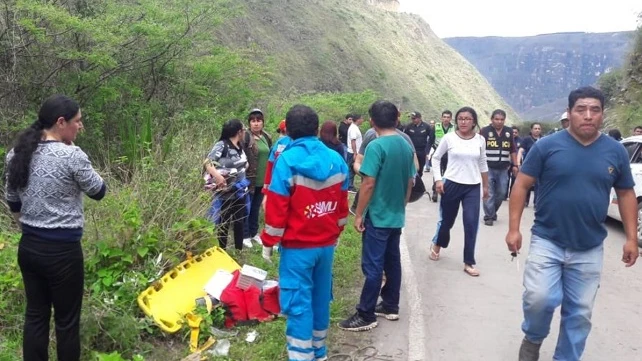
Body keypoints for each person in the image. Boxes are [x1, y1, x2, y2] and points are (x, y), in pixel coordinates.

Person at [505, 86, 638, 361]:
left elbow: (625, 193)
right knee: (539, 299)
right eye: (581, 110)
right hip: (547, 239)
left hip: (589, 246)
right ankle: (533, 338)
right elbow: (521, 185)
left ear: (602, 114)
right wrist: (514, 229)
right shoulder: (546, 146)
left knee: (579, 313)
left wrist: (631, 238)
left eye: (595, 110)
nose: (588, 116)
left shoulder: (616, 152)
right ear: (570, 113)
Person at [5, 95, 106, 361]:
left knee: (35, 316)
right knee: (66, 323)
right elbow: (99, 191)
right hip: (63, 253)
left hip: (29, 247)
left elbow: (12, 199)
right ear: (61, 122)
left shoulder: (16, 153)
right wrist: (77, 153)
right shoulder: (72, 155)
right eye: (77, 122)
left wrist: (27, 229)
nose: (80, 127)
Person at [260, 105, 349, 361]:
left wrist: (268, 241)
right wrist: (336, 232)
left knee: (298, 304)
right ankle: (319, 352)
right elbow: (342, 208)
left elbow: (276, 211)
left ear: (287, 129)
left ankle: (301, 356)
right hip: (326, 247)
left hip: (298, 249)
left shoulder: (286, 160)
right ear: (316, 128)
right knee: (320, 299)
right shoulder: (336, 159)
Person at [338, 100, 415, 332]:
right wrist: (402, 204)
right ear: (397, 119)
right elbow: (410, 180)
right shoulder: (405, 145)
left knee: (373, 266)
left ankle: (366, 313)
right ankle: (390, 304)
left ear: (372, 121)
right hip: (395, 214)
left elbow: (368, 182)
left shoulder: (376, 146)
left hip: (378, 215)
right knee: (392, 261)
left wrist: (359, 213)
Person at [429, 106, 489, 277]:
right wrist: (438, 179)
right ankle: (437, 245)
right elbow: (435, 158)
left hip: (472, 186)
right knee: (447, 222)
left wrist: (485, 185)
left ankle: (469, 262)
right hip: (451, 184)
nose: (463, 121)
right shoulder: (449, 138)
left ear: (474, 122)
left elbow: (483, 162)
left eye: (467, 119)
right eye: (461, 118)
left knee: (471, 223)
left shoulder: (480, 140)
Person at [350, 120, 419, 215]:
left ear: (373, 121)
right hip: (394, 204)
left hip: (375, 204)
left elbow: (358, 163)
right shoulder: (405, 140)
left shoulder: (373, 139)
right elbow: (415, 168)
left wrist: (369, 175)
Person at [204, 119, 249, 250]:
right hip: (226, 192)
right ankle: (221, 249)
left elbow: (242, 163)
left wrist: (243, 167)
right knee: (224, 222)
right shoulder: (222, 145)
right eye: (243, 129)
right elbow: (208, 162)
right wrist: (218, 176)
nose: (245, 132)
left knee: (239, 221)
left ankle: (238, 249)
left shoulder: (240, 146)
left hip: (240, 190)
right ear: (238, 132)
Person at [479, 109, 517, 226]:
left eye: (502, 119)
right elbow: (478, 148)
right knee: (489, 192)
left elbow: (512, 149)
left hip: (503, 168)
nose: (499, 122)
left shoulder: (509, 132)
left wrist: (515, 165)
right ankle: (488, 216)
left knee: (501, 193)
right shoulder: (484, 131)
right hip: (488, 167)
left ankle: (493, 211)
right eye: (497, 119)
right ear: (492, 119)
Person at [241, 109, 273, 248]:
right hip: (249, 179)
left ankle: (254, 233)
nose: (256, 124)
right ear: (249, 123)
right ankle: (245, 235)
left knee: (255, 208)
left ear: (263, 122)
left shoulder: (267, 137)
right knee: (246, 208)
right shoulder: (245, 137)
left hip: (263, 180)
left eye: (258, 120)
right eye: (253, 121)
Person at [429, 110, 454, 202]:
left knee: (447, 174)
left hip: (449, 154)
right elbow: (431, 140)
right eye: (444, 117)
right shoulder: (436, 127)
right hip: (437, 153)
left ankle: (445, 190)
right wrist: (428, 152)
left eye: (448, 117)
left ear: (451, 118)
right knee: (437, 172)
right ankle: (435, 191)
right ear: (441, 118)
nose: (446, 119)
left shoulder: (455, 128)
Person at [518, 123, 542, 207]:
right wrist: (518, 163)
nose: (537, 130)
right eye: (535, 128)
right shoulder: (527, 140)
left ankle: (537, 203)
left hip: (540, 166)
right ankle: (525, 201)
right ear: (531, 130)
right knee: (527, 184)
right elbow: (520, 150)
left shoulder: (543, 139)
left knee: (539, 185)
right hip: (528, 165)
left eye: (539, 129)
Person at [403, 111, 432, 176]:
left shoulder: (426, 126)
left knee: (420, 168)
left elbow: (431, 138)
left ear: (420, 118)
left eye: (414, 118)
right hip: (412, 150)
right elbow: (404, 138)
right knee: (411, 168)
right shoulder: (409, 127)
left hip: (422, 151)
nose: (413, 120)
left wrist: (428, 150)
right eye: (412, 118)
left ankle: (418, 182)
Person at [346, 114, 364, 193]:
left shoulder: (355, 127)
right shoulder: (353, 128)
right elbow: (353, 141)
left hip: (355, 151)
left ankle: (350, 185)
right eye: (361, 118)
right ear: (358, 119)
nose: (362, 120)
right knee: (351, 168)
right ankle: (349, 186)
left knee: (352, 169)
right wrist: (355, 153)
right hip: (352, 151)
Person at [507, 126, 522, 198]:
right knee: (506, 179)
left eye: (516, 132)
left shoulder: (521, 141)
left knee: (514, 179)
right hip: (507, 162)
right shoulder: (507, 139)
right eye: (513, 132)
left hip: (516, 163)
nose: (514, 134)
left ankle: (511, 195)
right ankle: (504, 195)